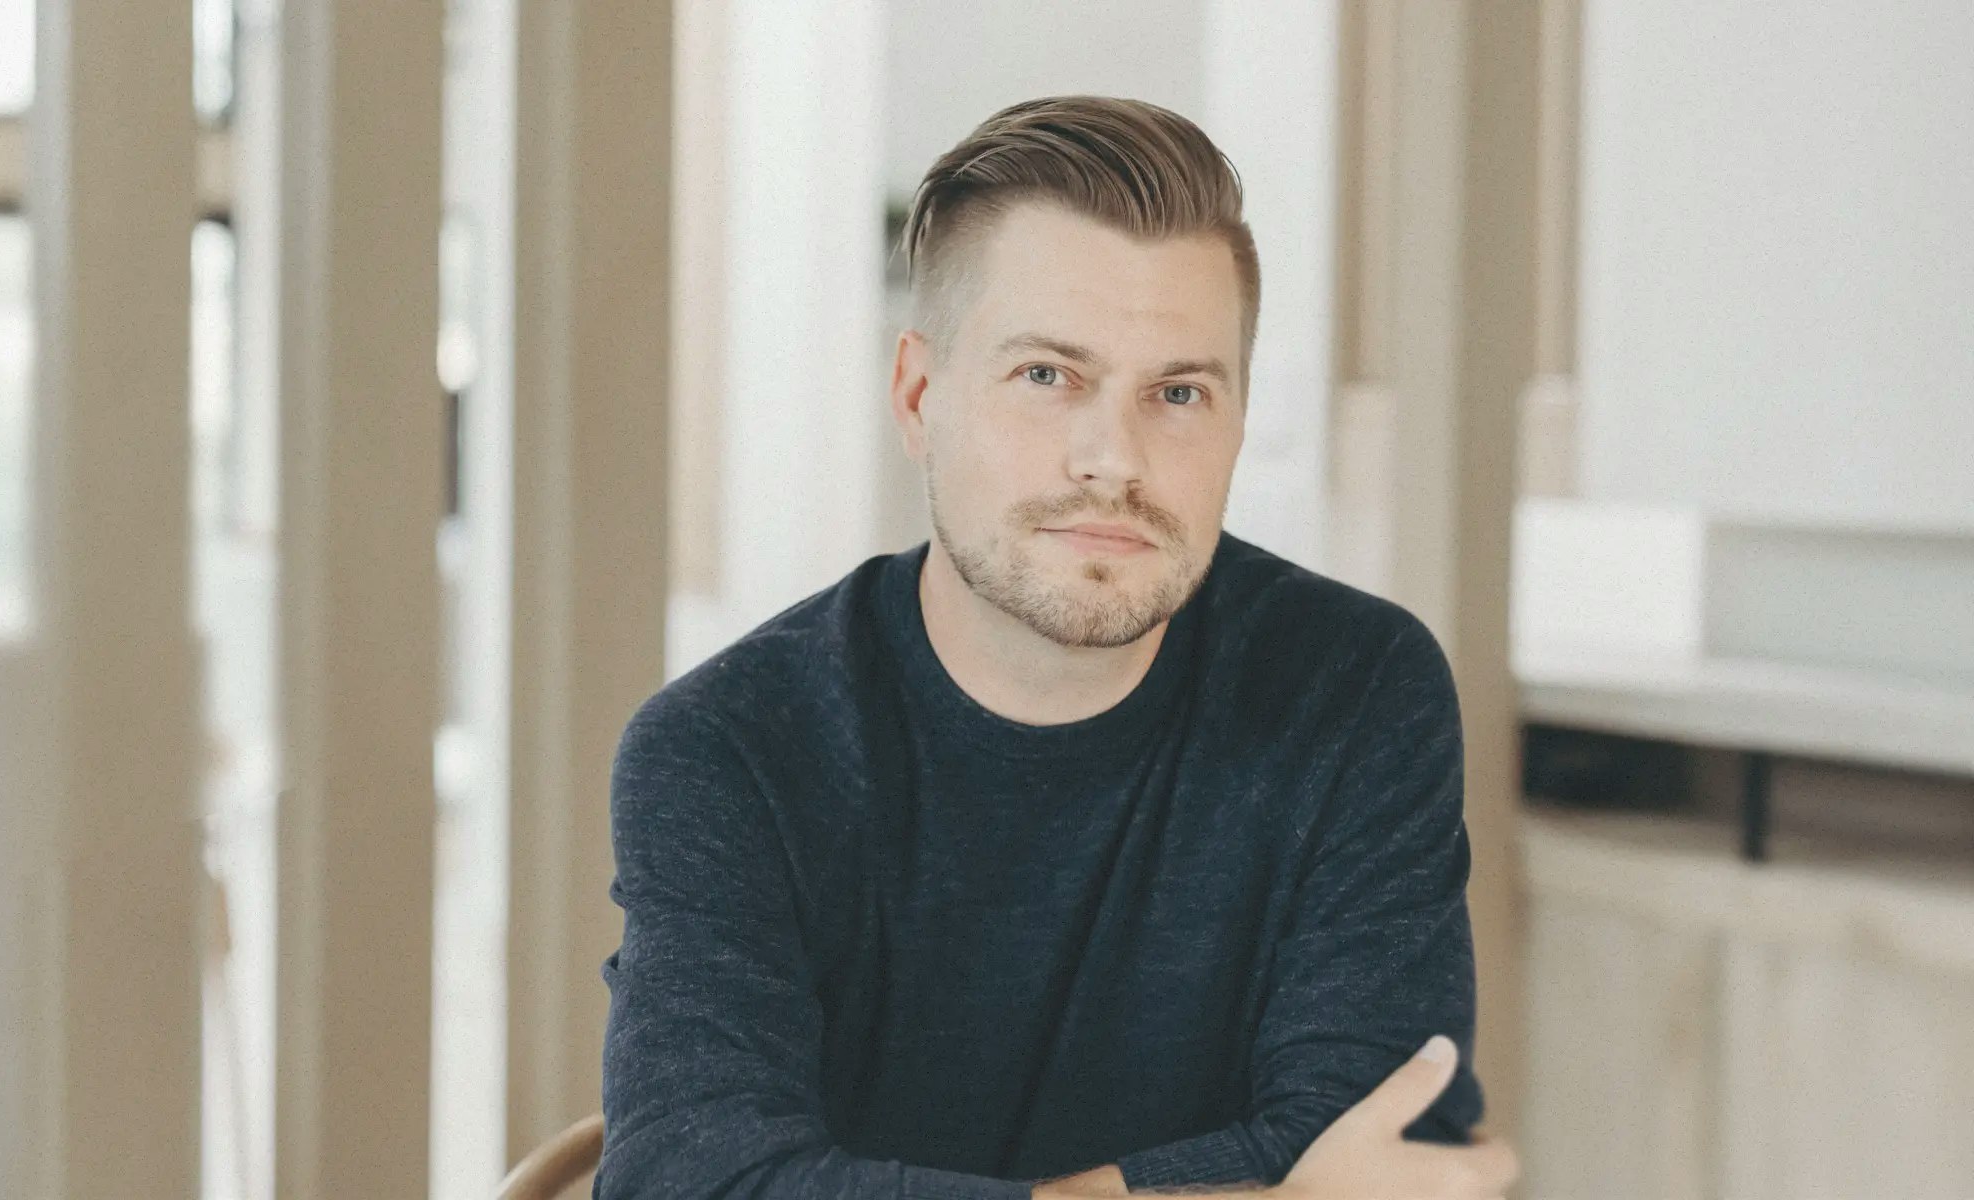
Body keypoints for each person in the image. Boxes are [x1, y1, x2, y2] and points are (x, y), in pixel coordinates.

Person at [593, 95, 1521, 1199]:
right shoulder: (730, 747)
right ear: (919, 396)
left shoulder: (1353, 688)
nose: (1113, 458)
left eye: (1179, 393)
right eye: (1048, 376)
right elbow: (693, 1182)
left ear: (1236, 422)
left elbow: (1389, 1151)